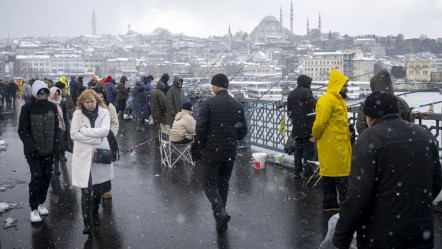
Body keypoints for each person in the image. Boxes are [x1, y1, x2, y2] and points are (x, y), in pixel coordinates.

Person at [333, 91, 442, 249]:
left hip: (381, 235)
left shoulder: (368, 138)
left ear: (369, 117)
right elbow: (437, 180)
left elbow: (358, 195)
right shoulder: (424, 134)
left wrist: (340, 239)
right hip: (421, 231)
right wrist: (416, 204)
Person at [196, 73, 248, 234]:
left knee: (209, 184)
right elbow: (242, 129)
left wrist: (201, 145)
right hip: (230, 151)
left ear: (216, 86)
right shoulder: (237, 105)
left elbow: (201, 127)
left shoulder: (208, 104)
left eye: (212, 85)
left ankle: (220, 211)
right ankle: (221, 218)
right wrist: (234, 138)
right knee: (223, 183)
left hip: (212, 150)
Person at [70, 89, 113, 235]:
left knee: (98, 190)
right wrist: (95, 137)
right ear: (82, 102)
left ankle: (94, 213)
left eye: (92, 101)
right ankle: (87, 222)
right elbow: (73, 134)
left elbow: (105, 131)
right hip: (83, 156)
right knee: (86, 190)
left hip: (99, 155)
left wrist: (85, 132)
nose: (90, 105)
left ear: (97, 101)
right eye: (87, 102)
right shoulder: (77, 114)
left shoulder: (104, 112)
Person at [18, 80, 59, 223]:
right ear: (35, 93)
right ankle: (34, 208)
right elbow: (23, 131)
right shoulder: (27, 108)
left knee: (47, 176)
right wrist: (31, 147)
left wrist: (56, 145)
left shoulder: (52, 107)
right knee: (36, 177)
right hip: (33, 153)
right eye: (40, 92)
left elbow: (56, 128)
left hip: (48, 151)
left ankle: (41, 202)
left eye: (45, 92)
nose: (42, 95)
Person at [310, 68, 351, 211]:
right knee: (340, 176)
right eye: (344, 86)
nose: (346, 88)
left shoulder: (336, 99)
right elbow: (320, 122)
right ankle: (345, 206)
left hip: (335, 143)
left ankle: (330, 204)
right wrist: (315, 135)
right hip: (333, 145)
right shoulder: (328, 99)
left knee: (330, 174)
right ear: (337, 85)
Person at [356, 69, 411, 134]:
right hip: (400, 139)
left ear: (374, 86)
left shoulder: (368, 103)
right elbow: (410, 121)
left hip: (376, 141)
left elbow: (360, 127)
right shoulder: (402, 102)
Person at [287, 75, 317, 178]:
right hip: (307, 127)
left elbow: (289, 112)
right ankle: (307, 173)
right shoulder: (306, 92)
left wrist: (296, 120)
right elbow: (315, 104)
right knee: (308, 151)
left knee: (298, 150)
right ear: (306, 83)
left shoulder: (291, 93)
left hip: (297, 127)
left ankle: (297, 171)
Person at [93, 87, 119, 200]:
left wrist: (110, 134)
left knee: (106, 164)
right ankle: (94, 187)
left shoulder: (110, 107)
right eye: (98, 97)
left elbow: (115, 122)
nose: (101, 99)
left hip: (108, 139)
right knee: (93, 165)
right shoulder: (89, 108)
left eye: (102, 97)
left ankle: (106, 189)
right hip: (93, 141)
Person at [48, 86, 68, 176]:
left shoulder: (60, 103)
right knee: (50, 149)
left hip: (59, 129)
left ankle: (56, 166)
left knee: (57, 149)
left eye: (57, 94)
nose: (56, 96)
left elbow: (64, 116)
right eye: (54, 94)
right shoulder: (47, 104)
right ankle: (51, 165)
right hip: (50, 130)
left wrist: (67, 127)